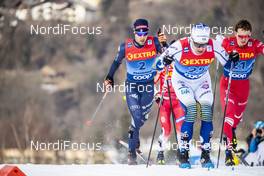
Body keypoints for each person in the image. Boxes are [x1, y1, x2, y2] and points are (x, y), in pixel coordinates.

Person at [155, 23, 237, 168]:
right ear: (191, 39)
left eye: (203, 45)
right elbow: (156, 65)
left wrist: (234, 58)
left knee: (206, 112)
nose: (201, 48)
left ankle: (205, 154)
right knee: (191, 109)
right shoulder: (180, 46)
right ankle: (183, 154)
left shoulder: (212, 46)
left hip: (201, 81)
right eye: (198, 44)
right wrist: (164, 62)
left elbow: (229, 65)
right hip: (181, 81)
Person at [104, 18, 165, 165]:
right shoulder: (126, 46)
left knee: (141, 119)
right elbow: (116, 62)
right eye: (139, 32)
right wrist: (109, 78)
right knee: (137, 116)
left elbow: (168, 56)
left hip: (148, 87)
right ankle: (131, 154)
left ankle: (133, 135)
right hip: (132, 87)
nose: (142, 35)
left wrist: (164, 43)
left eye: (145, 32)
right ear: (134, 31)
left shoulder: (154, 42)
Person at [216, 19, 264, 166]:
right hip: (228, 84)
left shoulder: (254, 44)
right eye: (240, 36)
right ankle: (229, 153)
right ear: (235, 34)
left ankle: (233, 132)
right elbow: (216, 48)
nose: (243, 40)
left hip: (243, 86)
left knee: (235, 120)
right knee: (228, 116)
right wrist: (229, 58)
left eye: (246, 36)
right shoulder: (228, 43)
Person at [154, 64, 185, 164]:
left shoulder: (181, 63)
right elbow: (152, 82)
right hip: (165, 102)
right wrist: (156, 94)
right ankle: (160, 152)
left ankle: (181, 152)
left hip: (178, 101)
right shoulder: (161, 65)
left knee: (180, 128)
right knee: (166, 130)